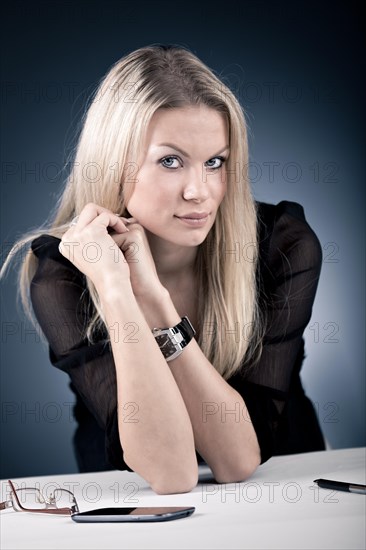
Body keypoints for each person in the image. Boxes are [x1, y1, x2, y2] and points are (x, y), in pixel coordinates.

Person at [1, 44, 325, 494]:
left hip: (284, 489)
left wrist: (155, 302)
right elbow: (171, 474)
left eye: (216, 161)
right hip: (132, 498)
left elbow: (236, 461)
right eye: (170, 161)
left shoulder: (283, 246)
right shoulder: (67, 272)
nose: (200, 191)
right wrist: (116, 290)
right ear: (115, 165)